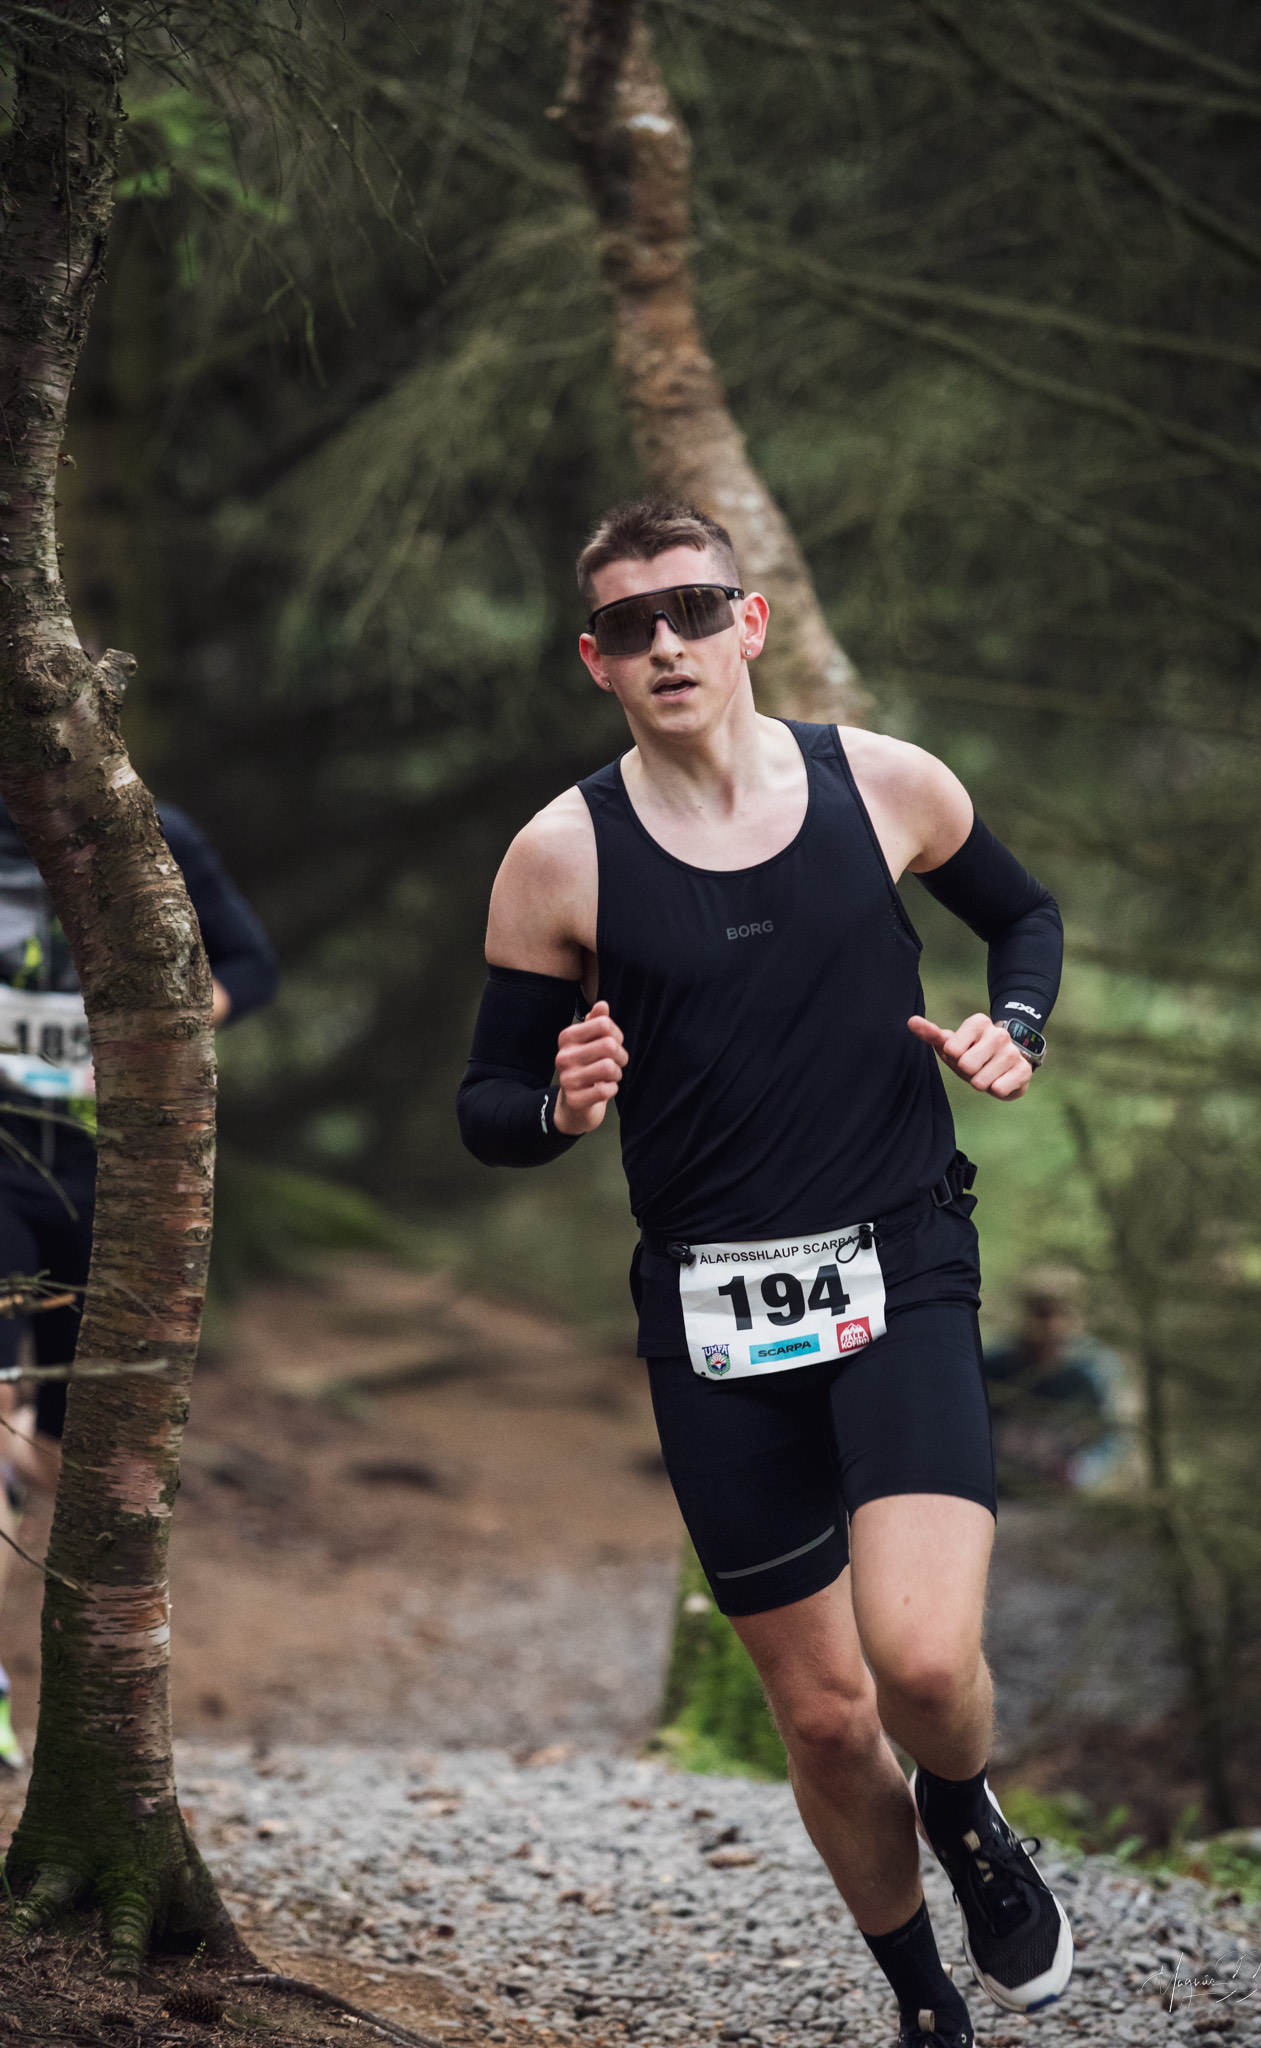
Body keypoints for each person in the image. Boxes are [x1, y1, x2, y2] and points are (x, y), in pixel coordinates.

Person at [458, 500, 1068, 2048]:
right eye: (629, 626)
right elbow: (489, 1107)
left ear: (750, 622)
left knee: (918, 1661)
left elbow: (1023, 917)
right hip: (713, 1316)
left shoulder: (884, 785)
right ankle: (924, 2004)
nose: (664, 643)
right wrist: (558, 1110)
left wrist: (1015, 1028)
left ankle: (968, 1812)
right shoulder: (558, 856)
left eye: (692, 609)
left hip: (898, 1266)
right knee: (823, 1713)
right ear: (595, 660)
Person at [0, 794, 278, 1769]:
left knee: (59, 1453)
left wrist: (158, 1026)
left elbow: (250, 966)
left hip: (113, 1168)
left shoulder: (144, 827)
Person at [982, 1265, 1128, 1493]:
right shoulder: (994, 1364)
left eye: (1061, 1313)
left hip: (1060, 1490)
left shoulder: (1093, 1368)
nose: (1051, 1325)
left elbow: (1115, 1434)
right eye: (1042, 1314)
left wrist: (1083, 1469)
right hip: (1000, 1484)